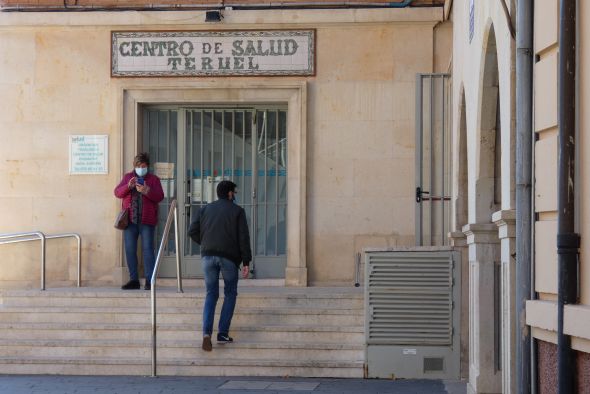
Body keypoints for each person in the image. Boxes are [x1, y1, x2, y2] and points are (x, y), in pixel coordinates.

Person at [188, 180, 251, 352]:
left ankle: (206, 334)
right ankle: (222, 333)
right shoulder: (238, 211)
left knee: (211, 294)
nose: (234, 195)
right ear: (230, 193)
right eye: (234, 192)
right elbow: (243, 238)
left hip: (207, 257)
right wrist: (246, 262)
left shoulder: (205, 209)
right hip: (228, 258)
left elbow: (192, 231)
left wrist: (206, 243)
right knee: (230, 293)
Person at [114, 153, 164, 291]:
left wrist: (146, 190)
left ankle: (149, 280)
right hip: (129, 221)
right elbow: (117, 193)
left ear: (147, 166)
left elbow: (160, 196)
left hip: (147, 221)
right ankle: (134, 280)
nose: (140, 168)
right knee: (130, 250)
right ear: (134, 166)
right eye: (138, 166)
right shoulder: (128, 177)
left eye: (143, 166)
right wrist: (128, 187)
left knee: (148, 251)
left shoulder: (154, 179)